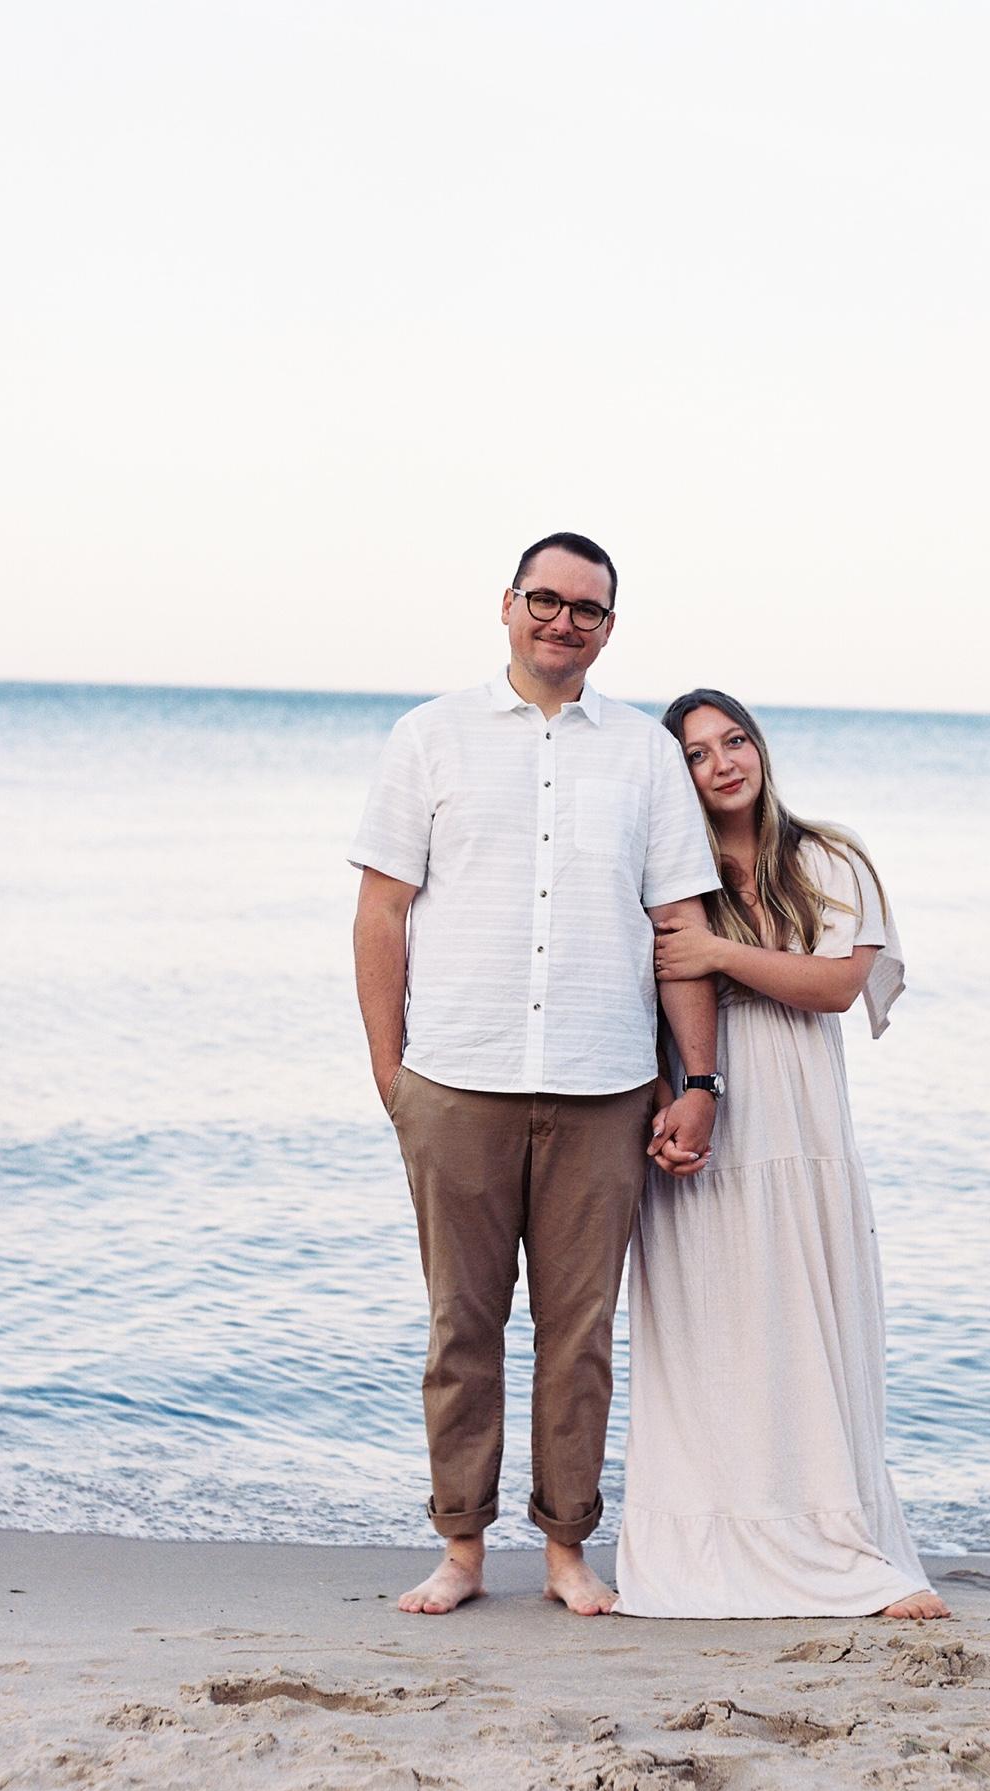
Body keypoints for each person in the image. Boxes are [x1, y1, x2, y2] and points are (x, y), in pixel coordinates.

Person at [348, 533, 724, 1617]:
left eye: (587, 609)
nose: (564, 622)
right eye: (546, 601)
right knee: (461, 1328)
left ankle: (566, 1548)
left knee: (580, 1335)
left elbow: (678, 925)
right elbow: (381, 911)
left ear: (608, 628)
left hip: (605, 1089)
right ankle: (461, 1548)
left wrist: (699, 1083)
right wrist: (390, 1074)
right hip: (455, 1080)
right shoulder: (428, 737)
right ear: (508, 605)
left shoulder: (645, 755)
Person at [614, 688, 950, 1621]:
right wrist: (665, 1101)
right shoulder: (666, 871)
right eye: (695, 754)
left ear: (759, 748)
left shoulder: (827, 857)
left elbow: (837, 986)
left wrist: (718, 954)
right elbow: (635, 997)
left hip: (801, 1127)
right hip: (703, 1122)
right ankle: (707, 1550)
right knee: (710, 1340)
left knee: (808, 1327)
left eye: (734, 741)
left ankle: (837, 1543)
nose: (722, 763)